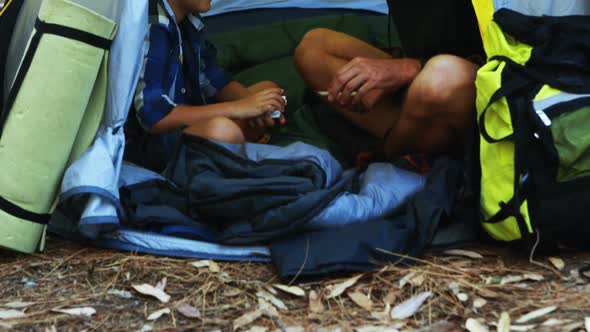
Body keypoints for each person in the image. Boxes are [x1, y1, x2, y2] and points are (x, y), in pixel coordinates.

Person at [132, 0, 286, 164]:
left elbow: (214, 80)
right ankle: (237, 145)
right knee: (224, 131)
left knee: (268, 91)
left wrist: (258, 106)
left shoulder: (188, 20)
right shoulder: (152, 27)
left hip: (189, 116)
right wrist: (239, 108)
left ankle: (235, 146)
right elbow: (155, 116)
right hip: (154, 145)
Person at [294, 29, 479, 161]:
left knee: (443, 76)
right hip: (431, 67)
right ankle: (413, 127)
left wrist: (410, 68)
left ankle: (391, 153)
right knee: (313, 48)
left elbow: (504, 70)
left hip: (485, 87)